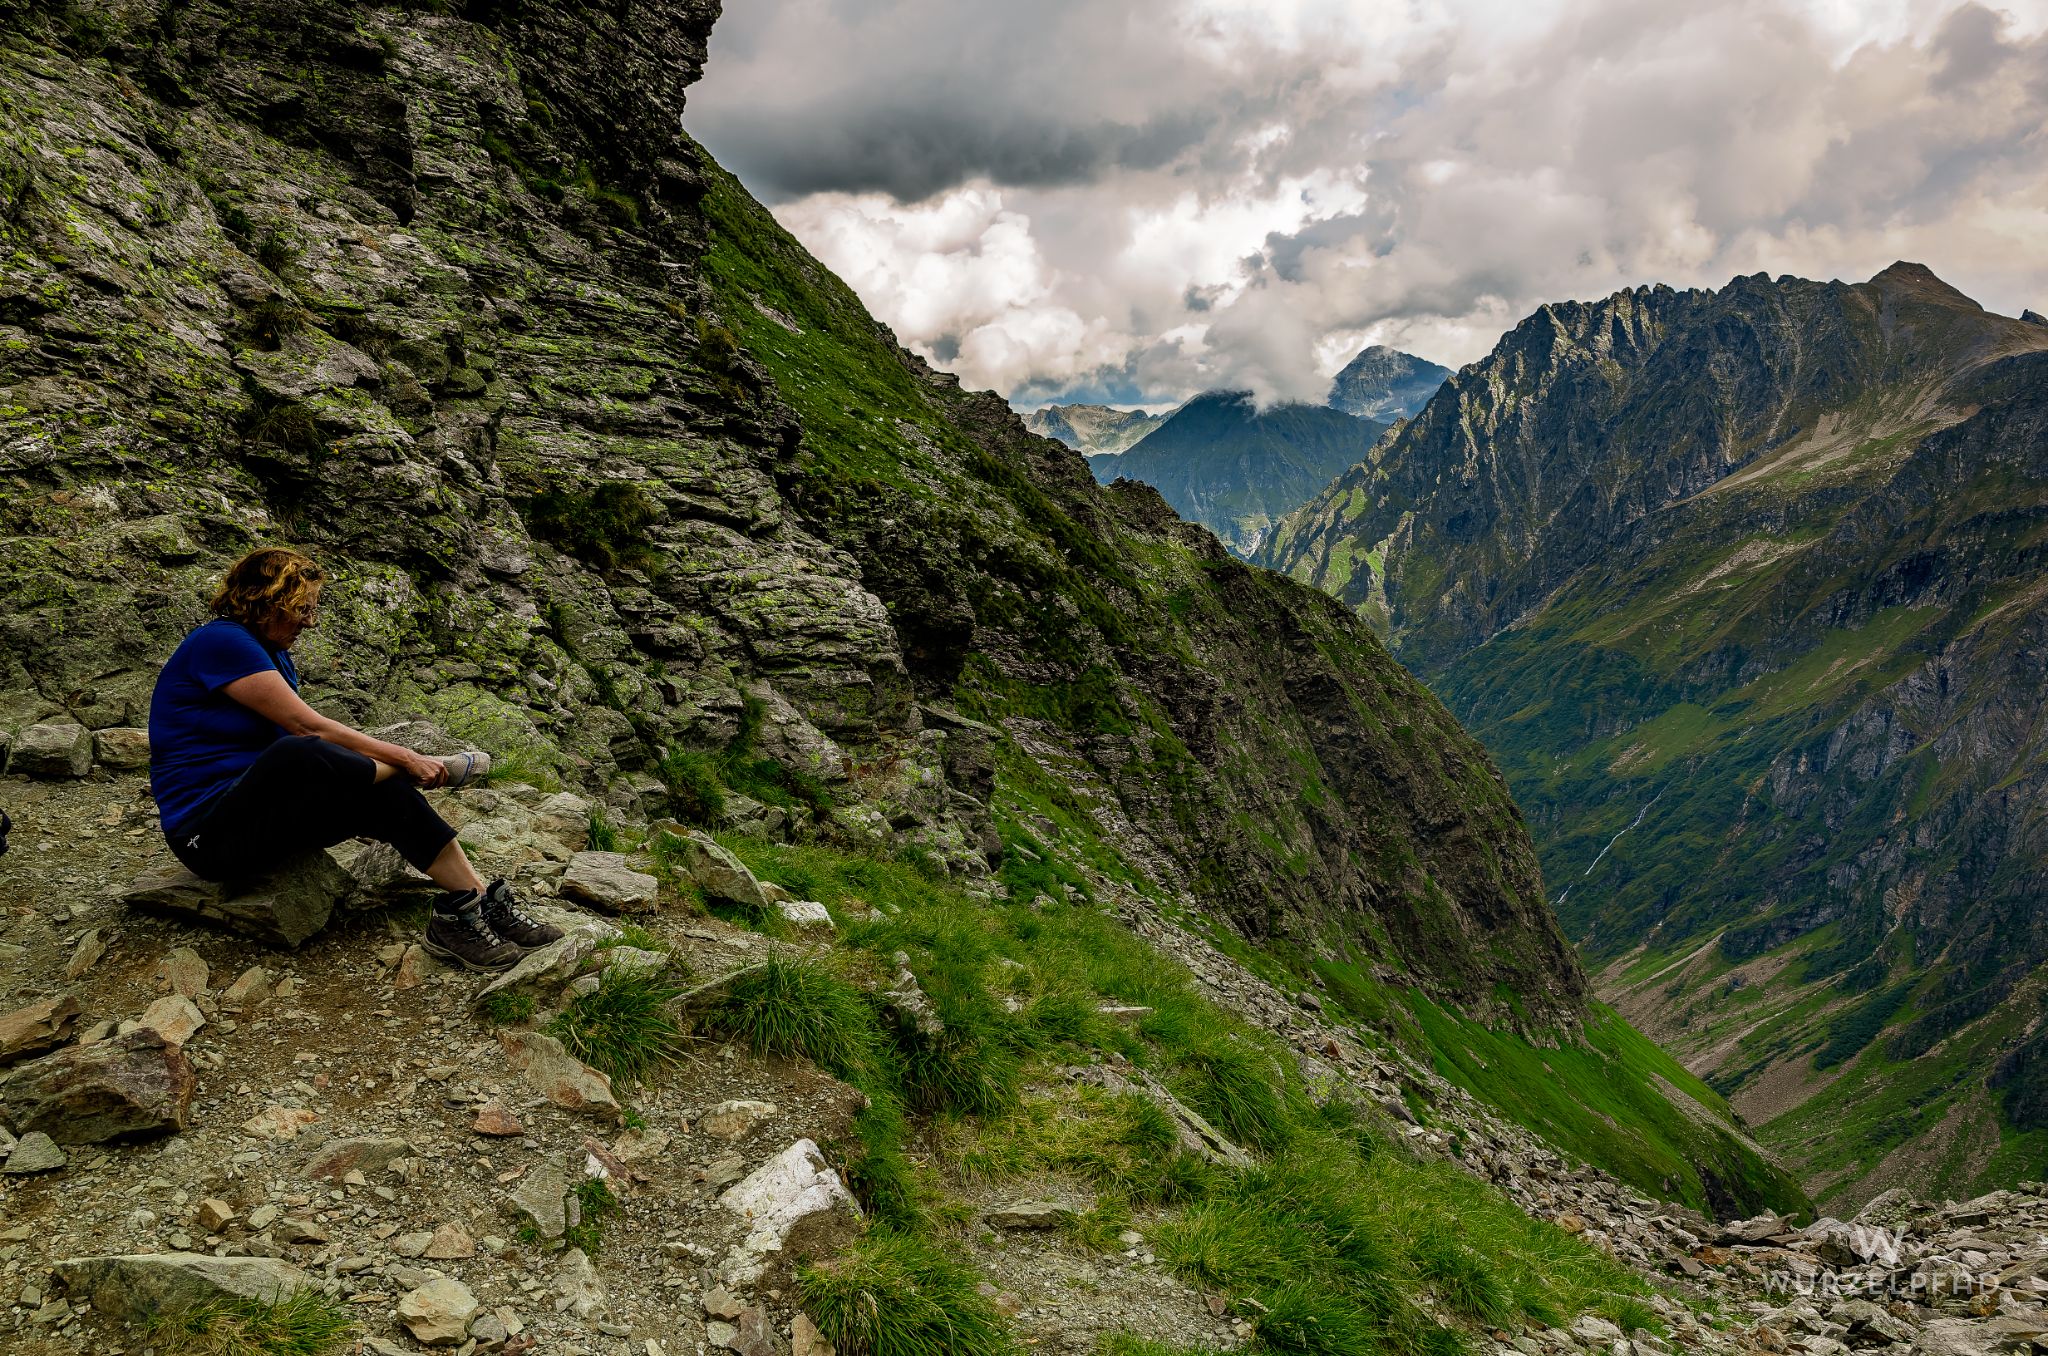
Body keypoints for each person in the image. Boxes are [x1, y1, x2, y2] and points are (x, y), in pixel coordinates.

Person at [148, 547, 562, 971]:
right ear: (264, 601)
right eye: (300, 609)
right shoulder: (220, 641)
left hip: (259, 817)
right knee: (299, 752)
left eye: (313, 608)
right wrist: (407, 756)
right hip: (208, 836)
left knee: (382, 791)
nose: (309, 621)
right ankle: (410, 772)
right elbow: (307, 729)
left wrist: (390, 767)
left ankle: (470, 903)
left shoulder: (272, 653)